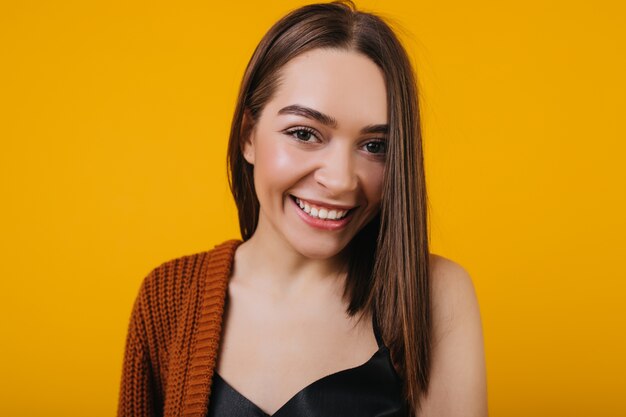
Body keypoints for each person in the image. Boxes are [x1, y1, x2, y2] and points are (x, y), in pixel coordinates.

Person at [117, 1, 487, 416]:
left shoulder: (432, 294)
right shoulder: (169, 298)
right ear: (248, 136)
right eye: (305, 133)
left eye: (375, 146)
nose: (342, 179)